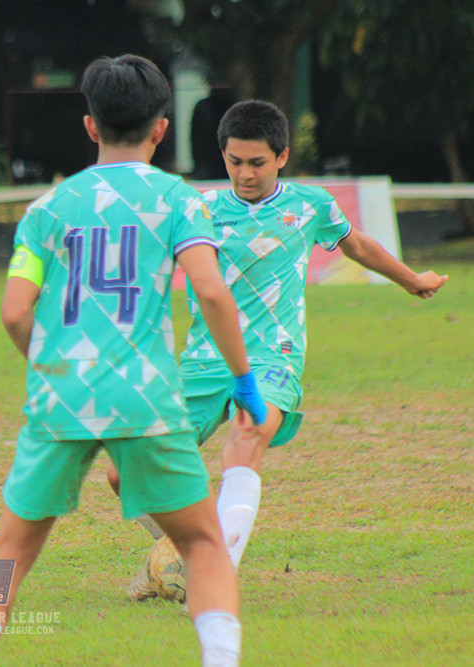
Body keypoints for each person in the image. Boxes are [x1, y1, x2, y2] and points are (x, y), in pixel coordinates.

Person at [0, 55, 268, 667]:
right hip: (146, 396)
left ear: (89, 126)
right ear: (161, 129)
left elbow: (14, 313)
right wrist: (244, 383)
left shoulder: (45, 210)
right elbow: (212, 292)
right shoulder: (180, 201)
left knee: (6, 555)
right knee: (203, 545)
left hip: (62, 395)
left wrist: (51, 370)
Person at [107, 100, 449, 596]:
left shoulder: (310, 205)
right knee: (125, 470)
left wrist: (410, 279)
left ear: (282, 156)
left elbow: (357, 245)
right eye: (234, 161)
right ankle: (182, 551)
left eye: (257, 162)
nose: (245, 174)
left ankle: (211, 581)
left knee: (246, 438)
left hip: (272, 358)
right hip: (203, 362)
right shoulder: (195, 207)